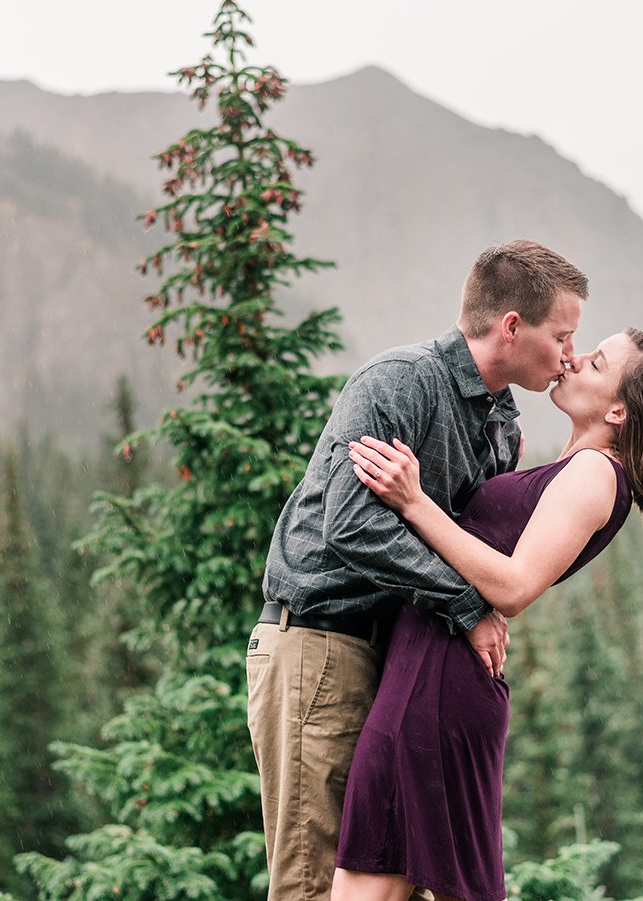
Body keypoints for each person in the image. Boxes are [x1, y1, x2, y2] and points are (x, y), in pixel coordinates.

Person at [247, 240, 590, 901]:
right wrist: (467, 606)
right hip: (320, 646)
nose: (570, 355)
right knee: (317, 885)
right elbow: (348, 526)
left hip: (397, 666)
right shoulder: (400, 382)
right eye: (563, 336)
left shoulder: (500, 425)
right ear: (512, 326)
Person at [331, 328, 643, 901]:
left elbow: (512, 586)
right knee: (381, 867)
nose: (574, 359)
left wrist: (413, 500)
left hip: (437, 680)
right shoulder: (577, 466)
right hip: (433, 668)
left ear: (618, 411)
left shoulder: (596, 474)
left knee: (372, 870)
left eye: (596, 362)